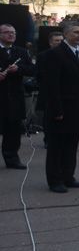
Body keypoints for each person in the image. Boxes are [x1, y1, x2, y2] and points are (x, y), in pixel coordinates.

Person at [41, 21, 79, 193]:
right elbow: (52, 85)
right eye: (76, 32)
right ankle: (55, 180)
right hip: (61, 108)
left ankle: (68, 176)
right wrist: (57, 110)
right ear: (67, 34)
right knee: (57, 146)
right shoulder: (55, 54)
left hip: (76, 108)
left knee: (71, 145)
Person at [1, 23, 36, 170]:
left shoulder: (21, 51)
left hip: (15, 96)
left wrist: (19, 69)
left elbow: (32, 69)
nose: (11, 35)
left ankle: (12, 159)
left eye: (13, 33)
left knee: (13, 130)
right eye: (7, 32)